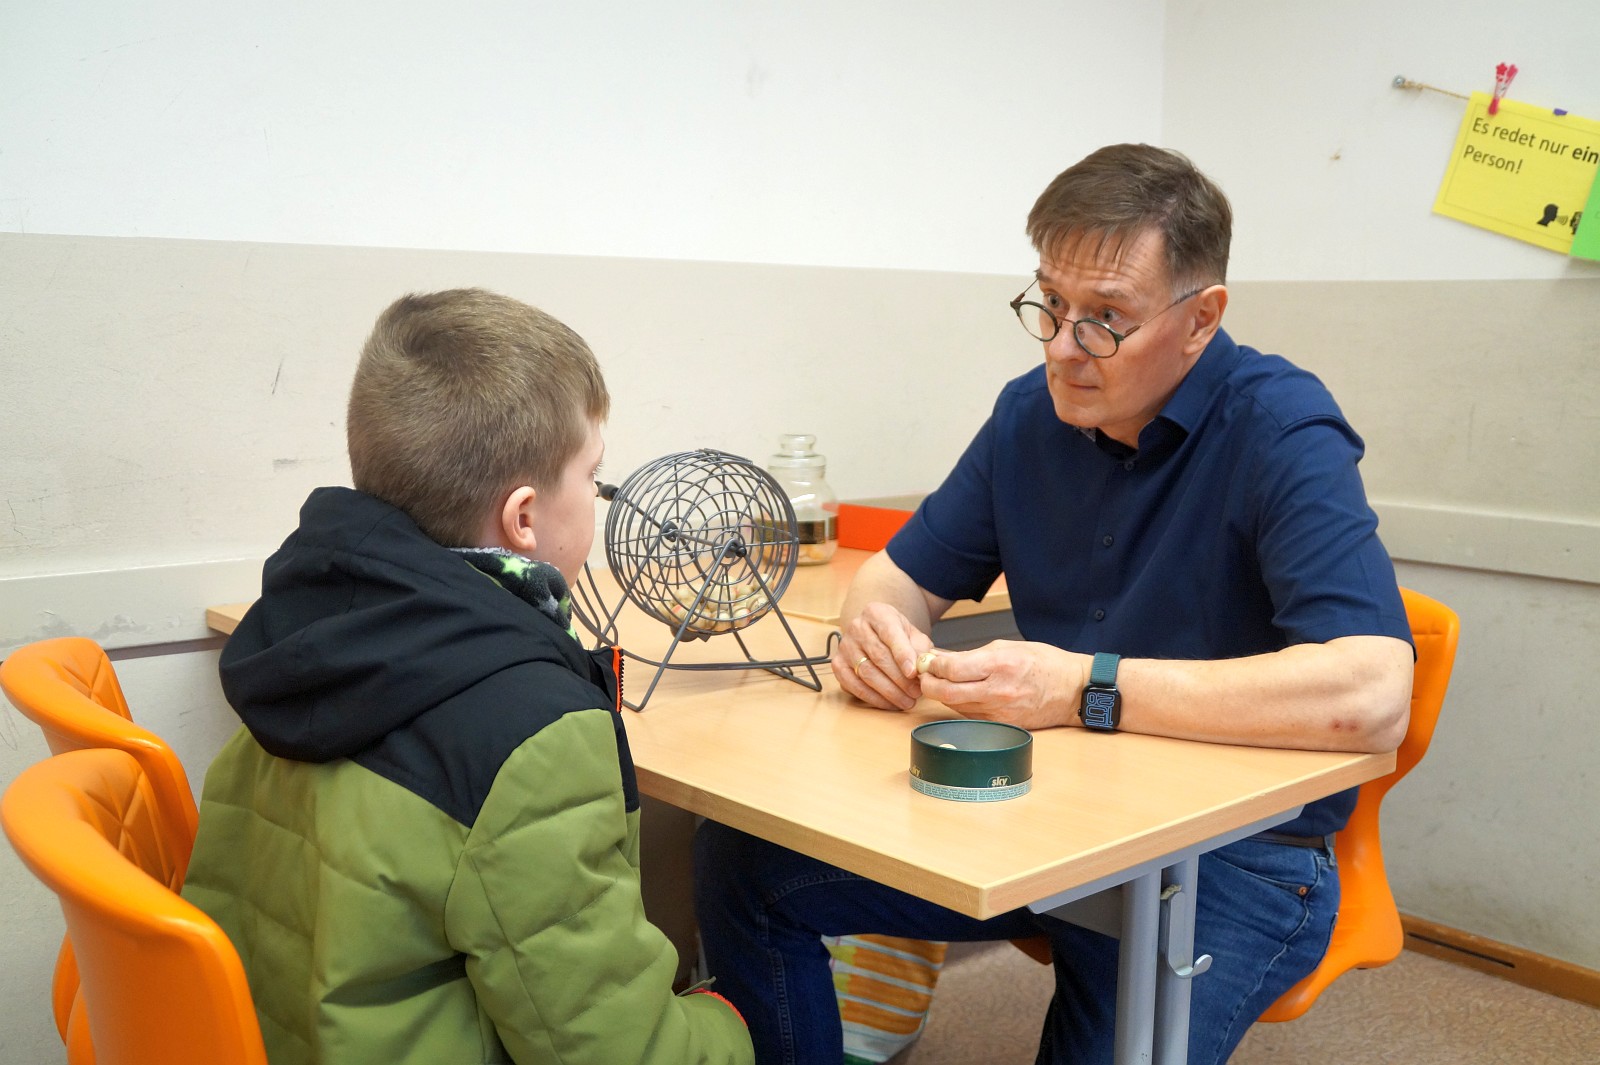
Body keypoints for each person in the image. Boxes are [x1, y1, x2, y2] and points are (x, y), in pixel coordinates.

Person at [693, 144, 1415, 1065]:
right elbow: (895, 576)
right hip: (1055, 813)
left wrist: (1084, 688)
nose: (1064, 347)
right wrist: (877, 629)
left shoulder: (1282, 428)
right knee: (744, 860)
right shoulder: (1029, 416)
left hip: (1235, 858)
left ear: (1202, 318)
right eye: (1050, 303)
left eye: (1106, 318)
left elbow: (1371, 692)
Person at [183, 289, 753, 1065]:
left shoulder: (301, 627)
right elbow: (618, 1052)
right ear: (524, 518)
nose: (598, 493)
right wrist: (730, 1022)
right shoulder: (534, 735)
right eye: (592, 474)